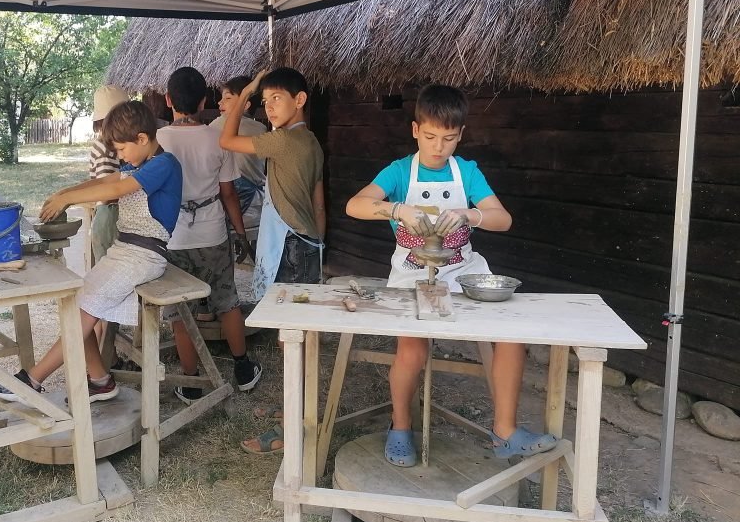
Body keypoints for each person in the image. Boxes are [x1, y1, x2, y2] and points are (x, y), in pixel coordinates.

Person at [345, 83, 557, 467]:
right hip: (412, 270)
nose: (438, 147)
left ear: (461, 134)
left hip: (462, 268)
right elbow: (355, 205)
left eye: (448, 138)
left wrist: (471, 215)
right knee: (413, 350)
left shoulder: (467, 173)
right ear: (415, 130)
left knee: (511, 335)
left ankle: (505, 431)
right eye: (430, 137)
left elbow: (503, 219)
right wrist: (395, 210)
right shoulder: (399, 172)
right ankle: (400, 426)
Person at [0, 100, 183, 403]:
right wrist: (63, 193)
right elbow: (105, 180)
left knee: (86, 310)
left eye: (121, 149)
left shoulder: (164, 165)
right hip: (124, 250)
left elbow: (115, 190)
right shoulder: (137, 165)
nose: (119, 156)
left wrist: (69, 200)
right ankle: (101, 381)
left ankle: (32, 381)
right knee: (75, 304)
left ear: (142, 138)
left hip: (146, 256)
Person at [219, 67, 326, 454]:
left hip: (290, 249)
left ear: (300, 100)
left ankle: (291, 428)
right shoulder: (312, 141)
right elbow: (318, 203)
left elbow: (226, 139)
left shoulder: (282, 141)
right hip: (307, 245)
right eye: (264, 102)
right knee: (298, 335)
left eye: (276, 98)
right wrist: (319, 248)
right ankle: (292, 409)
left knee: (291, 339)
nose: (269, 108)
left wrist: (244, 94)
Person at [156, 67, 262, 401]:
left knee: (181, 310)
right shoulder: (218, 137)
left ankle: (190, 380)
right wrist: (241, 234)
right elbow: (228, 193)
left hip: (172, 236)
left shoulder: (157, 140)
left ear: (168, 99)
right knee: (227, 301)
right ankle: (243, 368)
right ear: (204, 101)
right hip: (213, 232)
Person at [210, 76, 268, 215]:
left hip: (228, 202)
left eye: (227, 98)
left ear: (245, 105)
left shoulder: (218, 124)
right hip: (256, 203)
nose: (220, 102)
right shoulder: (262, 128)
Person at [87, 85, 130, 265]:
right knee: (110, 266)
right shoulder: (106, 148)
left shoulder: (109, 144)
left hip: (111, 213)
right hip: (110, 214)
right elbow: (108, 192)